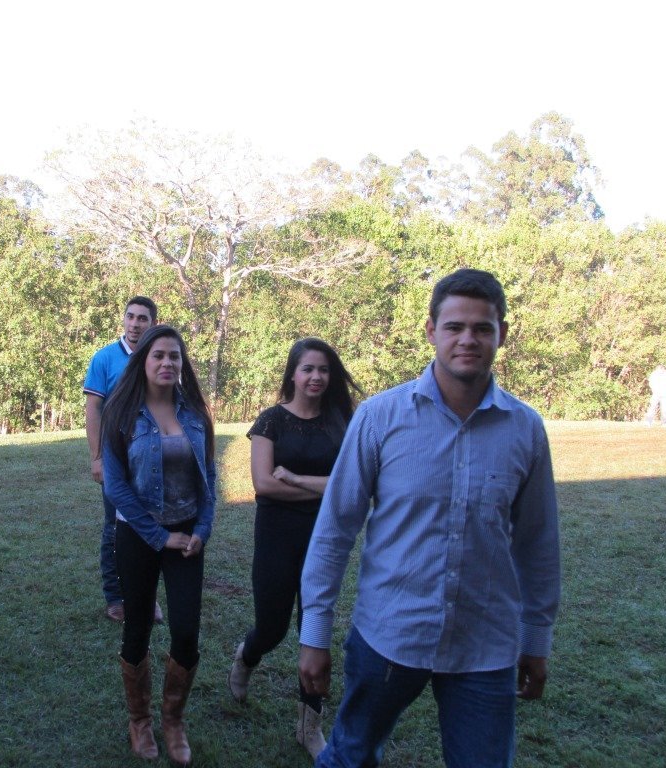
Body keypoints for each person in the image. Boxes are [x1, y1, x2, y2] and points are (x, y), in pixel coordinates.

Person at [298, 268, 561, 768]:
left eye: (482, 328)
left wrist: (536, 637)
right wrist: (314, 632)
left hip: (485, 644)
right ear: (431, 331)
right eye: (454, 326)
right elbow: (335, 530)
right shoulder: (380, 417)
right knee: (350, 756)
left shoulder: (525, 429)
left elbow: (538, 541)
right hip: (389, 634)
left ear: (502, 334)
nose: (468, 339)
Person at [228, 338, 362, 758]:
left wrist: (299, 480)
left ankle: (309, 726)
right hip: (276, 535)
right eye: (308, 369)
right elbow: (264, 484)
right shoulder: (270, 422)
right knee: (272, 627)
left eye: (323, 369)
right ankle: (246, 657)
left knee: (314, 631)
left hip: (325, 538)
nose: (316, 377)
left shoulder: (343, 422)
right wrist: (326, 489)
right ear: (292, 374)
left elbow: (354, 483)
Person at [101, 325, 216, 765]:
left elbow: (209, 478)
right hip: (138, 535)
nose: (168, 362)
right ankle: (139, 720)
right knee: (137, 627)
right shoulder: (121, 414)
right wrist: (159, 535)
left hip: (186, 537)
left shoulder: (196, 414)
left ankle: (172, 720)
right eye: (159, 355)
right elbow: (115, 486)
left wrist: (202, 529)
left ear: (183, 364)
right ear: (143, 362)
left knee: (186, 630)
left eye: (175, 356)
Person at [83, 296, 163, 623]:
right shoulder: (104, 358)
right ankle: (116, 597)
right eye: (130, 316)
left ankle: (146, 597)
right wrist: (97, 458)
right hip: (116, 459)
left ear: (153, 323)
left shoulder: (158, 359)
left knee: (151, 524)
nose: (134, 324)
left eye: (142, 318)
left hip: (151, 457)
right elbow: (93, 410)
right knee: (115, 527)